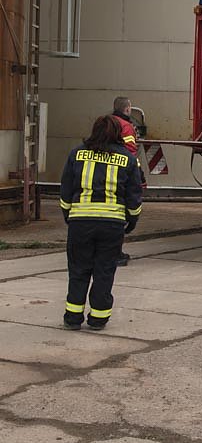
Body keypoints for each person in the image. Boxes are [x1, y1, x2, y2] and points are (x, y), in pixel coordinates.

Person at [60, 115, 143, 331]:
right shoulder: (127, 158)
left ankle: (73, 317)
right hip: (112, 225)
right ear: (118, 133)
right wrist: (132, 220)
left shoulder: (76, 154)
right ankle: (98, 318)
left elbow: (66, 190)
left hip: (80, 223)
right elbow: (134, 195)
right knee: (104, 270)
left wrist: (68, 215)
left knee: (78, 270)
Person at [111, 96, 142, 267]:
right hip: (121, 175)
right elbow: (130, 153)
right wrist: (138, 175)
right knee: (119, 216)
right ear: (128, 109)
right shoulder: (126, 126)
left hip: (101, 173)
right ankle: (116, 254)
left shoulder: (105, 122)